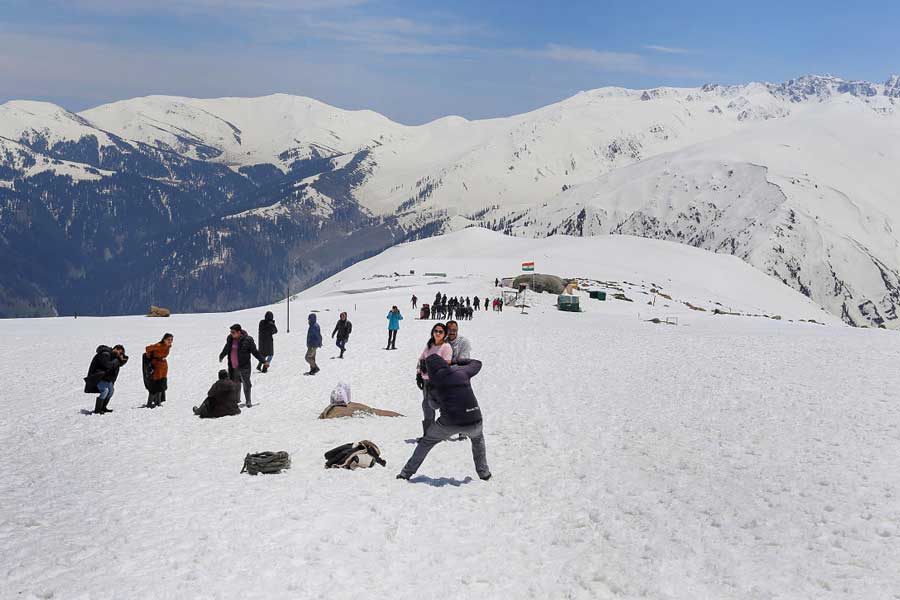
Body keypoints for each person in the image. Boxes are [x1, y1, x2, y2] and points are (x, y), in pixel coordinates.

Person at [398, 355, 490, 481]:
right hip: (474, 418)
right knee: (477, 440)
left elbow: (433, 406)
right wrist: (455, 361)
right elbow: (477, 363)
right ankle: (484, 474)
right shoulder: (461, 372)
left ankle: (405, 473)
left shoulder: (433, 384)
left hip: (449, 422)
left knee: (426, 442)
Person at [415, 322, 452, 437]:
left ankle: (448, 431)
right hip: (426, 381)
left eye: (440, 331)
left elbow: (446, 365)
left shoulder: (446, 347)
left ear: (445, 334)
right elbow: (421, 359)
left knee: (441, 406)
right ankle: (427, 435)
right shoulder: (430, 345)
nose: (437, 333)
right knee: (426, 406)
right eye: (435, 331)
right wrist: (418, 374)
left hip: (438, 382)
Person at [219, 324, 267, 407]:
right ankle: (236, 399)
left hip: (244, 366)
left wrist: (263, 361)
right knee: (235, 383)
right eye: (231, 332)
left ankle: (248, 401)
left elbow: (255, 352)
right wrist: (222, 355)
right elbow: (227, 348)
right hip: (233, 366)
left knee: (246, 383)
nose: (231, 334)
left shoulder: (248, 340)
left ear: (239, 332)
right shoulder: (230, 338)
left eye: (233, 332)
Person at [83, 344, 128, 414]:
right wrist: (117, 360)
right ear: (116, 349)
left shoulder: (114, 356)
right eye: (120, 352)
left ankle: (103, 407)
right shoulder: (105, 354)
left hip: (106, 378)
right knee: (105, 391)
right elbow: (107, 365)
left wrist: (122, 358)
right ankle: (98, 410)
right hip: (98, 377)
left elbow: (119, 363)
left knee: (111, 391)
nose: (120, 354)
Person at [145, 333, 173, 408]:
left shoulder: (168, 346)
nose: (170, 341)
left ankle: (158, 402)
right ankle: (149, 403)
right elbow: (147, 348)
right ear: (164, 339)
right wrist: (150, 358)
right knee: (154, 384)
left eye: (171, 340)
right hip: (156, 366)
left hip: (163, 366)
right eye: (168, 339)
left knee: (161, 383)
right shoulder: (158, 345)